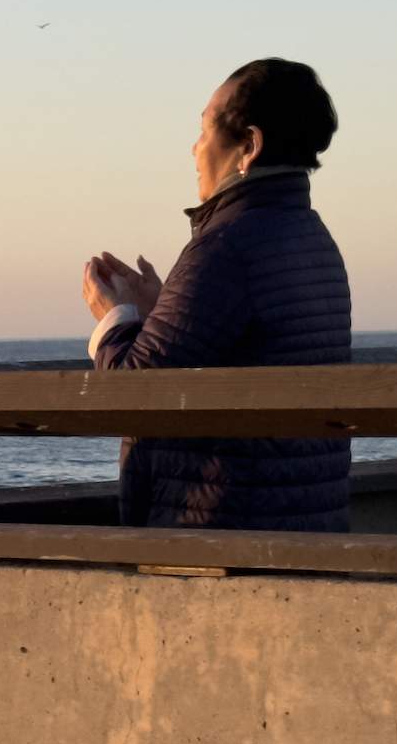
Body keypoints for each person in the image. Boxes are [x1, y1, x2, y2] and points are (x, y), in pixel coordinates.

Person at [80, 59, 351, 530]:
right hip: (304, 520)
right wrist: (162, 312)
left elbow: (138, 388)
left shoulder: (228, 244)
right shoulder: (309, 234)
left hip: (221, 528)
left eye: (205, 129)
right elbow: (248, 347)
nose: (194, 147)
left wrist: (114, 318)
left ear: (249, 145)